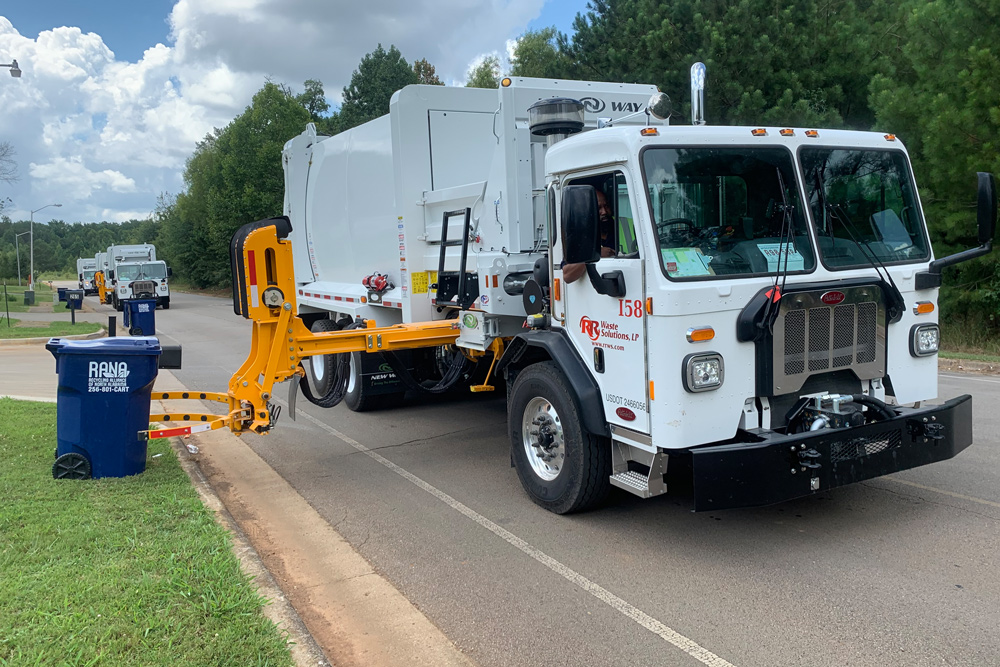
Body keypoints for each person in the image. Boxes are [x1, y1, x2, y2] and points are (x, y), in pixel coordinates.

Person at [563, 189, 616, 283]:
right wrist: (595, 254)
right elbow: (567, 275)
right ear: (588, 212)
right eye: (598, 208)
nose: (604, 212)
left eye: (606, 206)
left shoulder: (626, 225)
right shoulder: (579, 236)